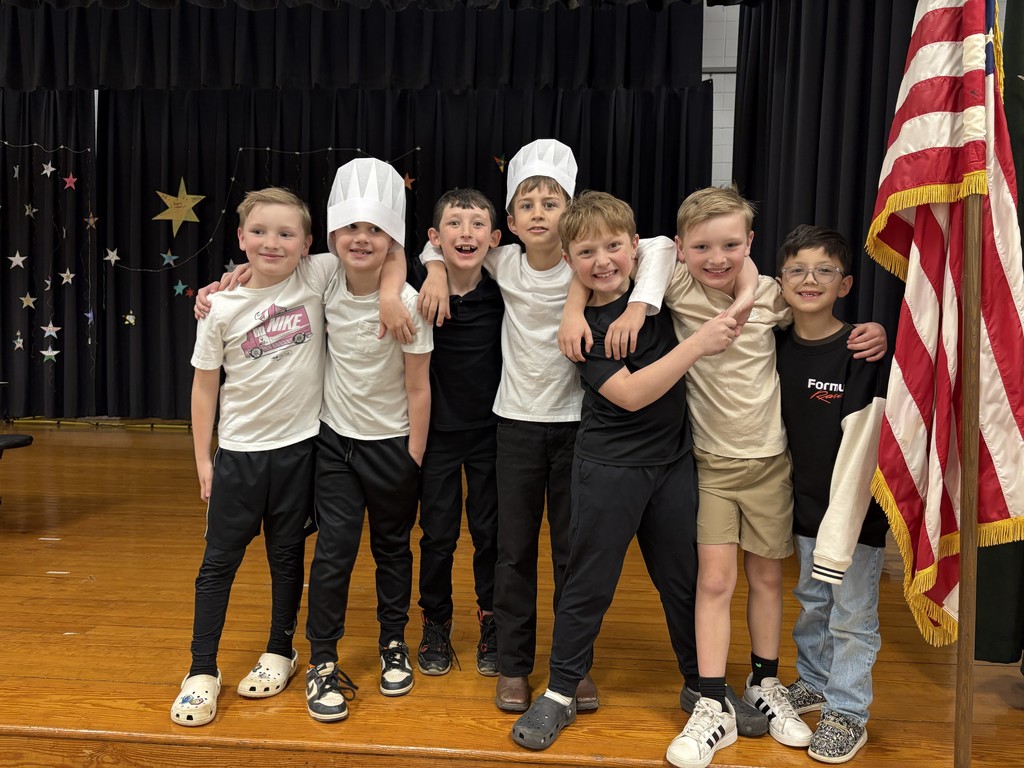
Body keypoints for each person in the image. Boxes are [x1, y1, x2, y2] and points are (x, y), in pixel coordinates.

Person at [416, 139, 673, 713]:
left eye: (551, 203)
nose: (538, 213)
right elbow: (446, 245)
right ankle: (513, 664)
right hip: (515, 426)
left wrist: (636, 307)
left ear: (571, 212)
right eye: (526, 205)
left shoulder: (590, 261)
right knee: (512, 552)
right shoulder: (501, 261)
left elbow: (660, 246)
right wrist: (432, 269)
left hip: (580, 427)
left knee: (571, 553)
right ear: (508, 223)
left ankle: (570, 665)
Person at [508, 191, 738, 751]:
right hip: (609, 468)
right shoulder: (583, 327)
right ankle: (561, 690)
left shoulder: (655, 288)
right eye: (586, 252)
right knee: (589, 583)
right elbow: (633, 395)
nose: (603, 260)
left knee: (682, 581)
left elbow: (664, 245)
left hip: (673, 465)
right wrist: (700, 345)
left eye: (614, 246)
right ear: (570, 262)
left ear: (634, 248)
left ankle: (702, 688)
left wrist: (640, 304)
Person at [172, 187, 333, 727]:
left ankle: (280, 650)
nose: (272, 242)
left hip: (300, 452)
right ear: (240, 238)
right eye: (259, 232)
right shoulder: (218, 304)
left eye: (287, 233)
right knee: (218, 563)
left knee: (287, 557)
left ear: (307, 244)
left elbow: (386, 250)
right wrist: (203, 459)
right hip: (240, 456)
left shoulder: (315, 278)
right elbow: (203, 388)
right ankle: (201, 669)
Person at [303, 157, 433, 722]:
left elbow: (419, 388)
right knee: (332, 555)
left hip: (392, 446)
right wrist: (226, 280)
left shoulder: (407, 304)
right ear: (333, 235)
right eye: (351, 228)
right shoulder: (324, 276)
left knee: (391, 550)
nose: (362, 239)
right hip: (336, 444)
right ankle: (323, 659)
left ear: (392, 239)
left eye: (375, 230)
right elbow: (266, 266)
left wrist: (414, 458)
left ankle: (392, 641)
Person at [774, 225, 888, 764]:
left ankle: (848, 710)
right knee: (812, 602)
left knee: (851, 616)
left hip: (854, 514)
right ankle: (815, 682)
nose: (810, 280)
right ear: (781, 281)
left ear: (844, 285)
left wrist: (884, 333)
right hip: (801, 508)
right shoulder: (771, 343)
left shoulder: (861, 351)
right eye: (797, 270)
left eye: (824, 271)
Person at [414, 188, 504, 677]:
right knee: (438, 535)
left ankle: (491, 620)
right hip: (438, 435)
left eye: (476, 224)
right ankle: (436, 622)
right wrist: (431, 270)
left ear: (494, 237)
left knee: (491, 534)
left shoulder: (504, 285)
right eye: (454, 223)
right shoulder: (416, 282)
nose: (465, 233)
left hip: (493, 432)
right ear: (435, 236)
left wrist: (434, 265)